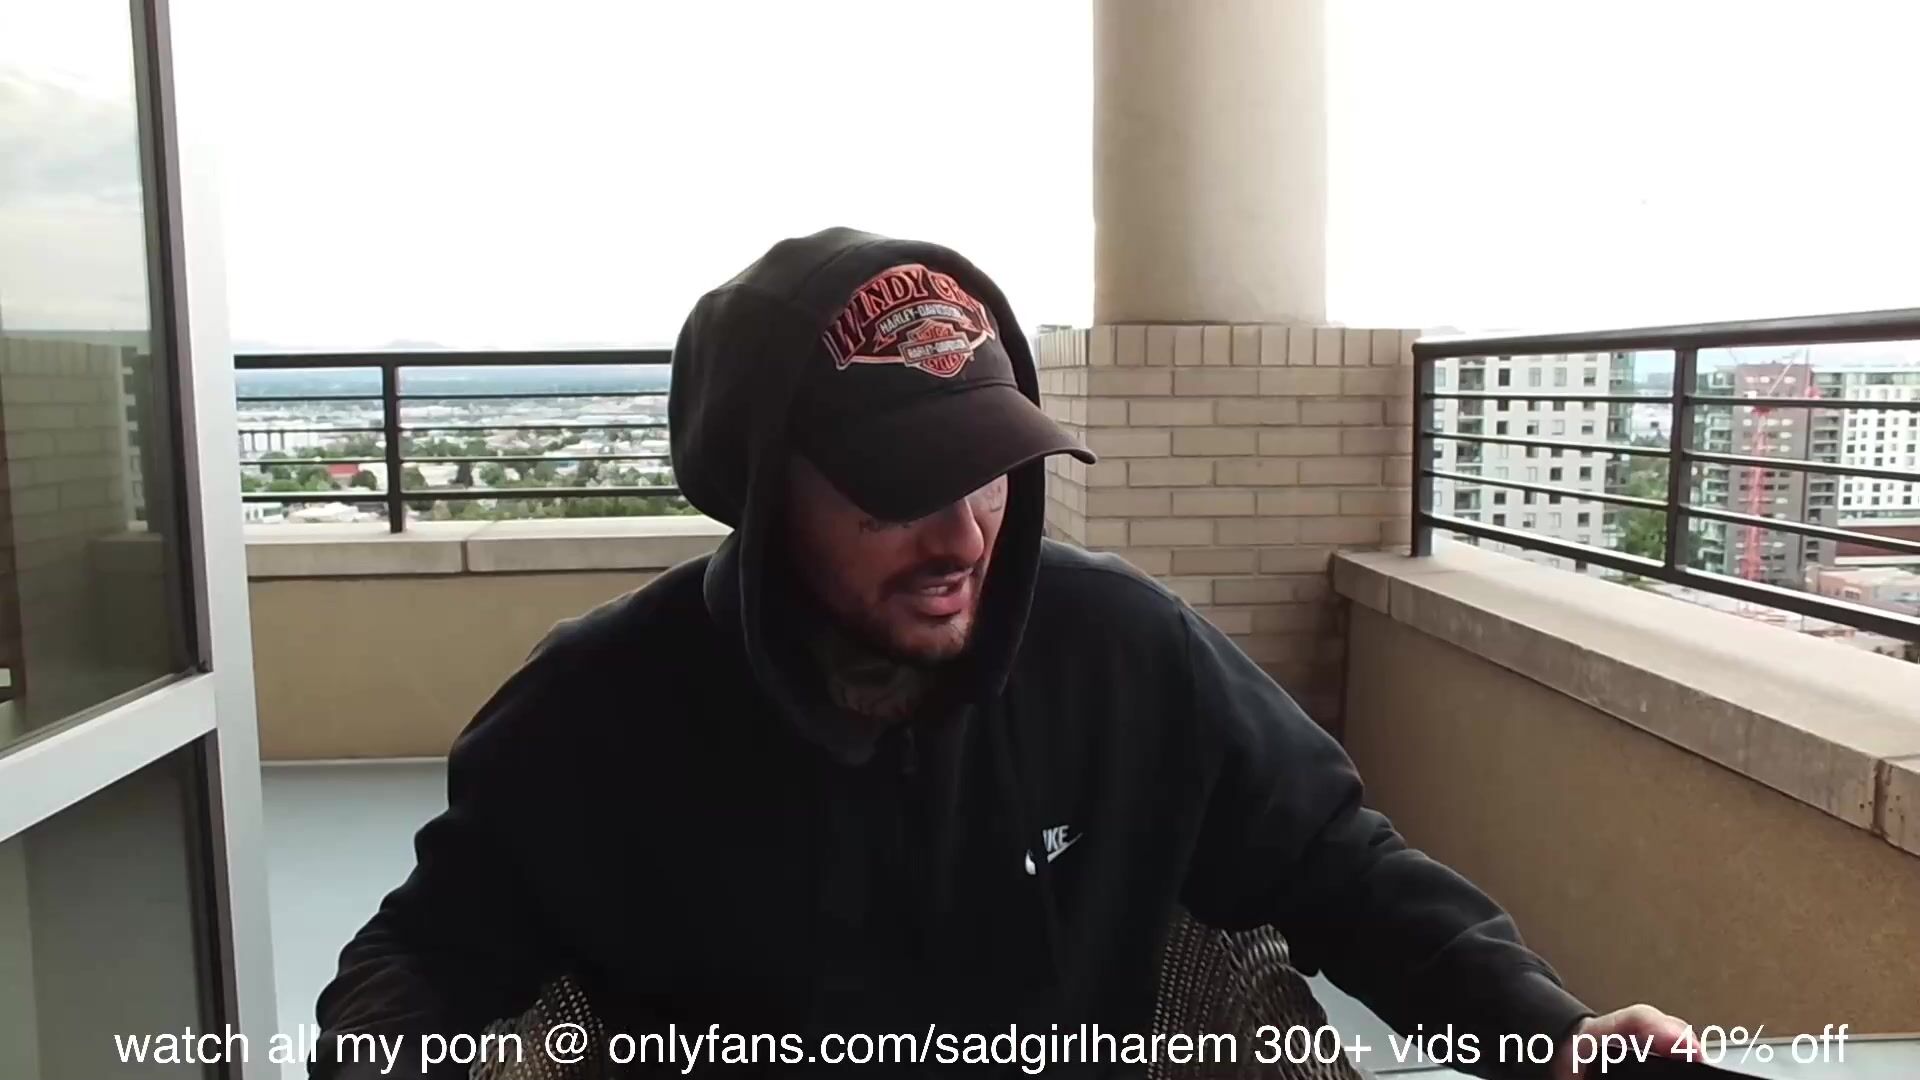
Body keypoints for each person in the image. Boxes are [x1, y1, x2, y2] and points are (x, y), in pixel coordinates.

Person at [313, 228, 1689, 1079]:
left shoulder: (1121, 654)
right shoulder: (599, 714)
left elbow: (1339, 868)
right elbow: (418, 960)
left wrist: (1546, 1031)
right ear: (762, 490)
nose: (963, 535)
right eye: (897, 488)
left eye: (986, 472)